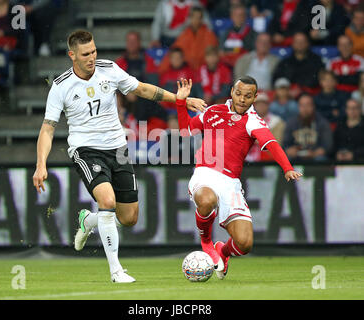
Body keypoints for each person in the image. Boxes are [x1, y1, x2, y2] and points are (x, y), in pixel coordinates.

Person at [32, 30, 206, 283]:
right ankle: (116, 271)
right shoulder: (61, 86)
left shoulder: (109, 69)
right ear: (72, 55)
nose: (91, 57)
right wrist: (40, 164)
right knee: (107, 199)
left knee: (129, 218)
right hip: (86, 149)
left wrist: (183, 101)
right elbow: (47, 128)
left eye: (93, 51)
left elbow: (144, 89)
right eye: (85, 54)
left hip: (118, 149)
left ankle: (88, 220)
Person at [175, 76, 302, 279]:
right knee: (206, 200)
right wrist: (181, 102)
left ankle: (222, 252)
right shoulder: (213, 111)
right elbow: (185, 131)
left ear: (255, 97)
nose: (242, 99)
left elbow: (272, 144)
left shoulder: (253, 121)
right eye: (239, 94)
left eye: (248, 96)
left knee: (245, 244)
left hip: (231, 183)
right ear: (232, 92)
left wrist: (287, 168)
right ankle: (206, 242)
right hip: (205, 173)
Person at [157, 6, 218, 72]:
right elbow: (173, 53)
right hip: (187, 72)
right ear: (190, 18)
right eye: (193, 17)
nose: (196, 20)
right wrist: (162, 71)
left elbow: (212, 57)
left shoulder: (209, 35)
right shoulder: (184, 35)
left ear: (202, 19)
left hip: (205, 72)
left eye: (199, 18)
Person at [283, 93, 333, 161]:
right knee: (286, 159)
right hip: (296, 156)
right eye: (302, 105)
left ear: (313, 106)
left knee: (321, 159)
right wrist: (289, 149)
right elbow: (285, 144)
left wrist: (316, 153)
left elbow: (328, 145)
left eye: (308, 105)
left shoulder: (322, 123)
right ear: (298, 107)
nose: (305, 109)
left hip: (315, 157)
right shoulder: (291, 123)